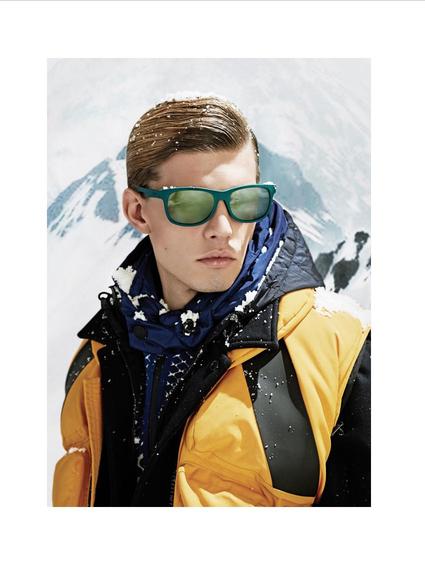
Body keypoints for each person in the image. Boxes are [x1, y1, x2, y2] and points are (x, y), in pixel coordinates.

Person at [52, 95, 371, 507]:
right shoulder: (94, 358)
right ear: (137, 211)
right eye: (190, 204)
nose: (223, 228)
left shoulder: (343, 353)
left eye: (245, 201)